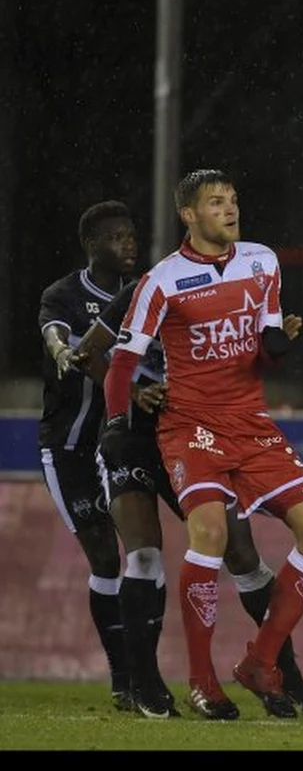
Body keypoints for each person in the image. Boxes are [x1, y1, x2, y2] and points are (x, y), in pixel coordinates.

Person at [103, 169, 303, 720]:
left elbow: (265, 344)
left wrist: (279, 346)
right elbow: (122, 361)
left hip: (251, 422)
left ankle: (261, 661)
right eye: (216, 202)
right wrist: (117, 421)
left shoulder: (263, 260)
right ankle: (203, 680)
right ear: (189, 214)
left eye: (233, 200)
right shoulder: (163, 280)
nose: (230, 210)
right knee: (209, 534)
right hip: (191, 426)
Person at [36, 200, 138, 712]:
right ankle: (123, 674)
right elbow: (56, 334)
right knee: (105, 558)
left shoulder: (143, 295)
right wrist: (60, 351)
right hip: (70, 448)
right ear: (92, 245)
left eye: (131, 235)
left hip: (119, 445)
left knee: (144, 553)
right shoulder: (65, 295)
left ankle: (144, 673)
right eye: (117, 236)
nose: (129, 244)